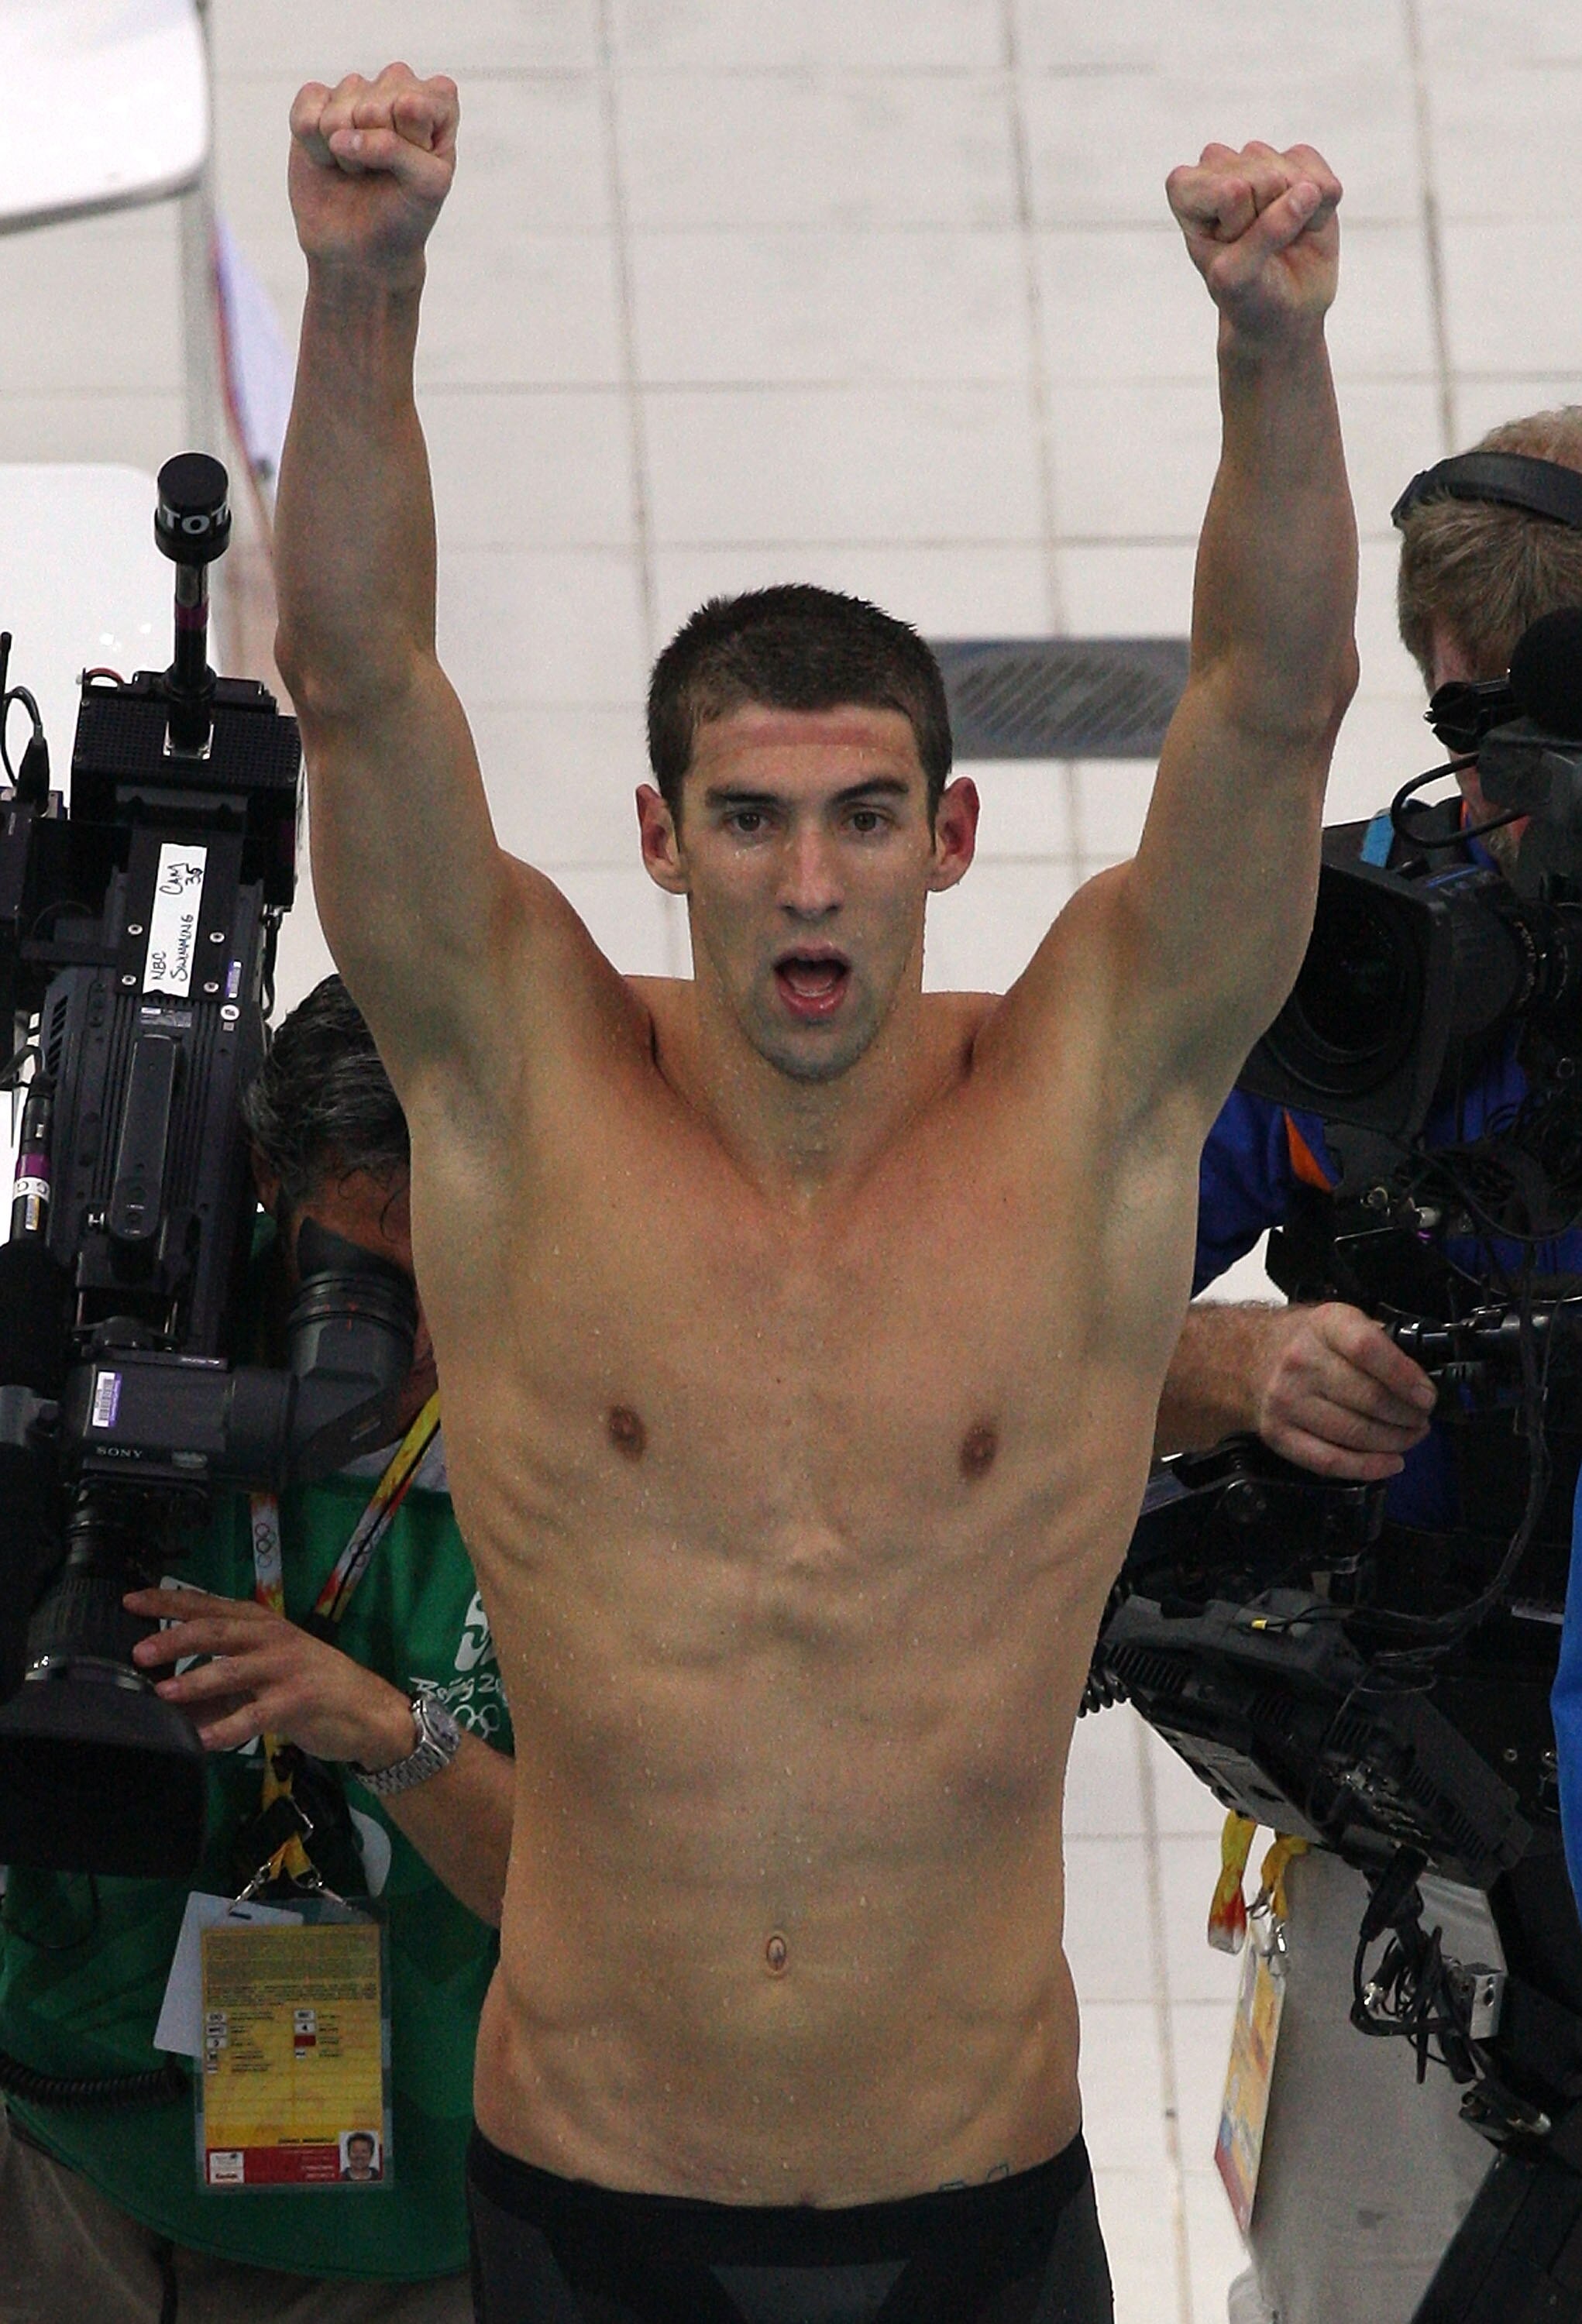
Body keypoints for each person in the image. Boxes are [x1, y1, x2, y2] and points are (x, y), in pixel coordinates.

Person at [275, 61, 1358, 2324]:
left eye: (867, 816)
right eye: (751, 818)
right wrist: (361, 291)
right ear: (661, 840)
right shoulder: (520, 1092)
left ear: (950, 844)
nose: (810, 879)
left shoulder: (1083, 1105)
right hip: (590, 2184)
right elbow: (359, 687)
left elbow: (1269, 704)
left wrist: (1273, 353)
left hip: (974, 2190)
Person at [1156, 405, 1582, 2324]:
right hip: (1414, 1843)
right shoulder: (1354, 940)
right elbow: (1017, 1292)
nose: (1484, 819)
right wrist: (1237, 1364)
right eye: (1454, 740)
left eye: (1529, 754)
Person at [0, 975, 514, 2324]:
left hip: (398, 2236)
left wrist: (391, 1736)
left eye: (448, 1272)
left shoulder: (604, 1456)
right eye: (348, 1277)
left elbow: (609, 1908)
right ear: (265, 1190)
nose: (387, 1344)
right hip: (68, 2152)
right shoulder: (126, 1346)